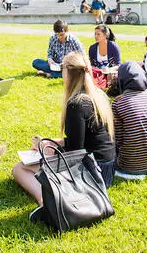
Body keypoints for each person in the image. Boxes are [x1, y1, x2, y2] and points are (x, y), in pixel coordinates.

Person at [12, 51, 115, 219]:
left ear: (68, 72)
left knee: (19, 169)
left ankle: (45, 203)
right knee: (41, 155)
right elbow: (84, 140)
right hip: (107, 168)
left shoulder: (76, 104)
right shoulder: (99, 96)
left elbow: (75, 153)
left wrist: (49, 150)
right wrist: (49, 143)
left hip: (92, 175)